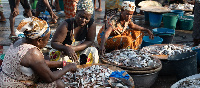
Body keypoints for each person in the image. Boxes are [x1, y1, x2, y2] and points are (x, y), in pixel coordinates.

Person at [0, 17, 77, 88]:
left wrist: (62, 64)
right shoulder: (33, 52)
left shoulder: (19, 40)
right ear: (39, 40)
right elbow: (50, 78)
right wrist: (68, 67)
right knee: (59, 84)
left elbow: (39, 63)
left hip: (4, 79)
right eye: (47, 40)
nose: (47, 42)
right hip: (13, 85)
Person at [51, 0, 99, 64]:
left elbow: (90, 41)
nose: (83, 20)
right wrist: (66, 48)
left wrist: (74, 48)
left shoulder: (91, 24)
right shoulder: (66, 24)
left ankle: (85, 68)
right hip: (65, 52)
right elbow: (54, 42)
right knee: (55, 53)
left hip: (79, 50)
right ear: (76, 12)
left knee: (93, 51)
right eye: (81, 16)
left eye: (87, 18)